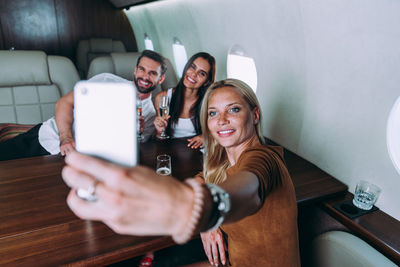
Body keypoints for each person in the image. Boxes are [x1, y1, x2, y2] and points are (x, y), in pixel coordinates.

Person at [61, 79, 300, 267]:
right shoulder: (226, 164)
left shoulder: (264, 158)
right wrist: (209, 224)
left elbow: (248, 190)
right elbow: (208, 177)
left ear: (255, 115)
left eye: (234, 109)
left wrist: (194, 208)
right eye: (213, 113)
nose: (222, 120)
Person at [0, 50, 167, 161]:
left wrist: (134, 133)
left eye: (152, 73)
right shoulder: (106, 80)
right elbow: (64, 103)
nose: (145, 76)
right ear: (135, 70)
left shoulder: (151, 116)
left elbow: (129, 152)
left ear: (160, 80)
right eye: (142, 70)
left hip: (82, 161)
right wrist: (65, 137)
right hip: (48, 139)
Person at [153, 52, 216, 149]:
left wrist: (206, 137)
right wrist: (159, 131)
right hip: (171, 150)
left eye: (202, 73)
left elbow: (219, 130)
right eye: (192, 67)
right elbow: (159, 140)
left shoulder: (210, 102)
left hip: (198, 152)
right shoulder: (162, 98)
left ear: (206, 81)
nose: (194, 74)